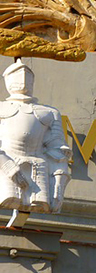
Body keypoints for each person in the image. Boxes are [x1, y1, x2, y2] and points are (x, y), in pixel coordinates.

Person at [0, 59, 71, 227]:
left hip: (38, 167)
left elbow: (58, 152)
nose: (23, 77)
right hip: (8, 166)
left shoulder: (50, 113)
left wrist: (59, 186)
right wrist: (7, 166)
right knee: (9, 197)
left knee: (39, 202)